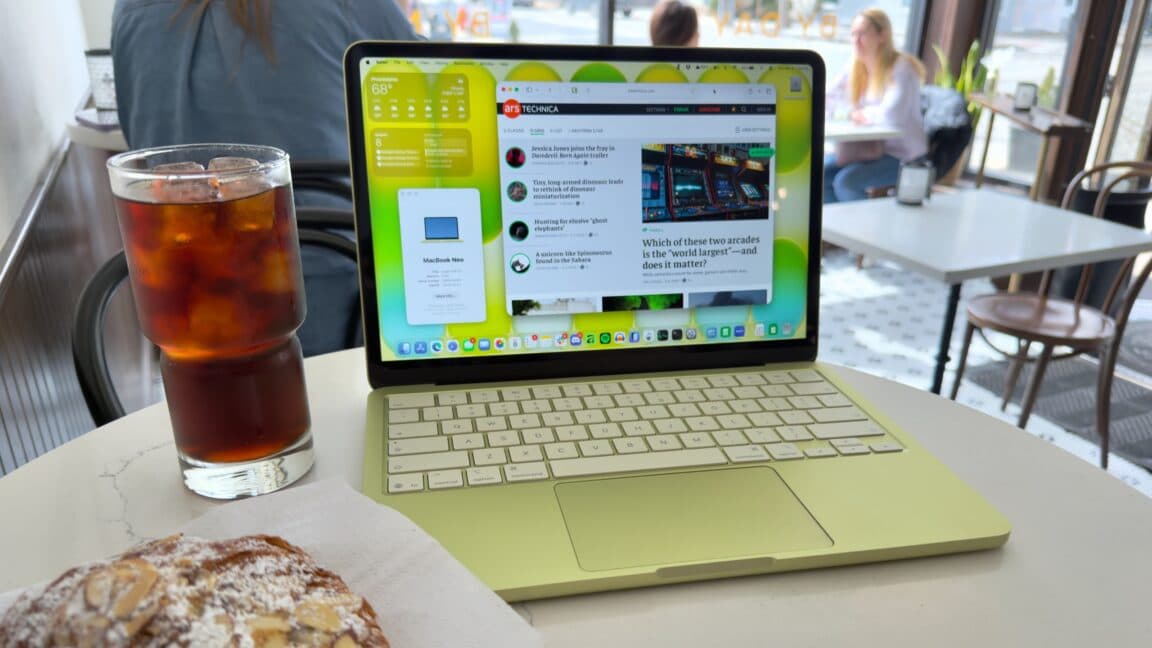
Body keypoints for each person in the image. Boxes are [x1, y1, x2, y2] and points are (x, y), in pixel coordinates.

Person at [111, 0, 418, 357]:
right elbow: (440, 88)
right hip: (330, 289)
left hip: (179, 292)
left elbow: (138, 142)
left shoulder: (130, 9)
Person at [824, 8, 927, 204]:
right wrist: (851, 113)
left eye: (862, 33)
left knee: (846, 182)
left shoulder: (902, 67)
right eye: (853, 33)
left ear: (883, 35)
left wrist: (861, 113)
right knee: (819, 174)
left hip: (901, 156)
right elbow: (827, 98)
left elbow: (892, 115)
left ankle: (859, 231)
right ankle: (835, 228)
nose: (856, 40)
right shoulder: (855, 65)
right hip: (865, 150)